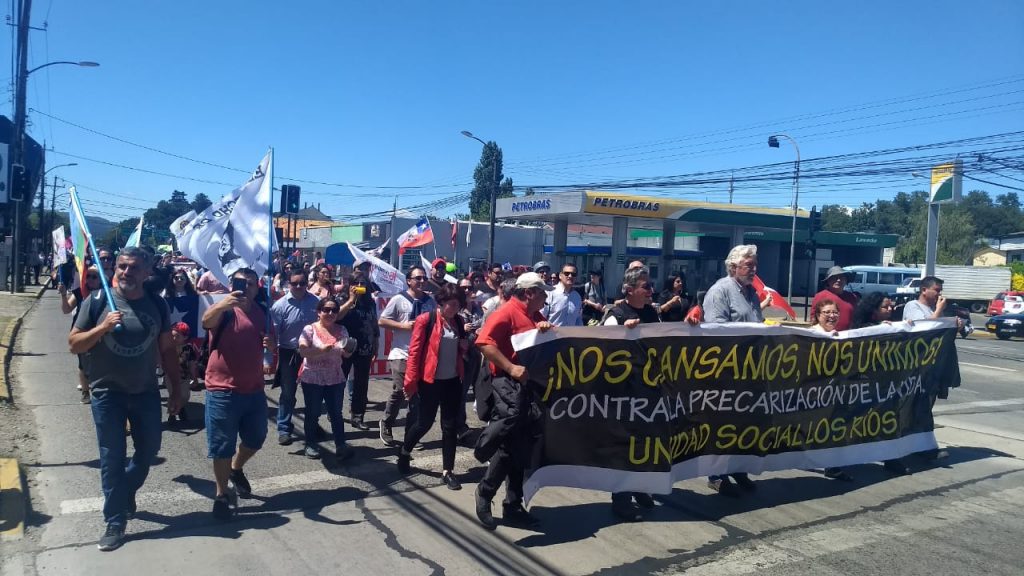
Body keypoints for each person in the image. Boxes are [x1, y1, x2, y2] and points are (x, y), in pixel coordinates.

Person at [69, 247, 181, 551]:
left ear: (147, 273)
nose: (126, 272)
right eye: (121, 267)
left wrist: (176, 387)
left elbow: (167, 349)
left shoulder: (157, 304)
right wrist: (102, 327)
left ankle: (126, 489)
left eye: (133, 268)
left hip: (145, 392)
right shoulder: (97, 300)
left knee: (148, 452)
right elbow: (74, 344)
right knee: (112, 456)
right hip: (108, 393)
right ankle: (115, 521)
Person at [473, 272, 553, 530]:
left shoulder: (534, 315)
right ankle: (484, 455)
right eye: (542, 292)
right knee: (511, 427)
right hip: (506, 381)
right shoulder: (506, 312)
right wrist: (510, 368)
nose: (545, 296)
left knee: (520, 446)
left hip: (527, 383)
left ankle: (512, 504)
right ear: (529, 293)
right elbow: (484, 343)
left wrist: (545, 328)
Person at [202, 268, 276, 519]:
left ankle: (236, 468)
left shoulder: (262, 313)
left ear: (257, 288)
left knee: (256, 439)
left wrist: (271, 346)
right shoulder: (225, 310)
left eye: (251, 284)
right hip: (222, 390)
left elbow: (270, 346)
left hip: (253, 389)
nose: (246, 288)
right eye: (240, 283)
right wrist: (223, 304)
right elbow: (206, 322)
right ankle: (222, 494)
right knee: (222, 447)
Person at [701, 244, 763, 497]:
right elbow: (717, 332)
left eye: (755, 264)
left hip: (750, 372)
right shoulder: (720, 291)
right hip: (727, 372)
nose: (754, 269)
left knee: (744, 424)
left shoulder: (752, 294)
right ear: (734, 266)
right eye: (749, 265)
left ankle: (739, 468)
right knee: (724, 425)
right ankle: (717, 475)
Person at [603, 266, 661, 521]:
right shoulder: (615, 315)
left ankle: (640, 487)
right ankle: (621, 497)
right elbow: (601, 349)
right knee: (624, 445)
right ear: (629, 290)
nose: (651, 291)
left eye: (650, 286)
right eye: (646, 287)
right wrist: (621, 333)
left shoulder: (651, 313)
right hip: (623, 393)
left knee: (645, 442)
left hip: (647, 389)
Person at [397, 284, 468, 490]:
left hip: (452, 380)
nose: (455, 308)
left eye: (458, 305)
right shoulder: (425, 320)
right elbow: (415, 352)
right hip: (430, 381)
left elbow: (462, 348)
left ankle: (448, 471)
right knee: (424, 423)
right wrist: (410, 382)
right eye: (452, 304)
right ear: (441, 303)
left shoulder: (459, 321)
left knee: (450, 426)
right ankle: (404, 452)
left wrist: (464, 347)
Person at [850, 292, 910, 476]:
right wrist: (878, 330)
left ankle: (892, 458)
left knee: (889, 420)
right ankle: (839, 461)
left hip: (886, 384)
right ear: (873, 311)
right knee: (856, 423)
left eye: (891, 306)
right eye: (885, 306)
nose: (890, 309)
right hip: (865, 384)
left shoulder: (891, 327)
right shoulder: (860, 330)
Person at [899, 275, 957, 460]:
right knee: (918, 407)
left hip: (933, 367)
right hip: (917, 366)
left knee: (925, 406)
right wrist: (940, 310)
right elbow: (925, 328)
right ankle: (926, 447)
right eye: (937, 290)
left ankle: (920, 444)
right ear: (924, 289)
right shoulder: (913, 306)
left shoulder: (934, 309)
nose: (939, 294)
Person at [379, 265, 436, 446]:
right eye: (417, 278)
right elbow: (382, 321)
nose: (421, 281)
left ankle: (409, 436)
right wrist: (405, 326)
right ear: (409, 281)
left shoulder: (430, 301)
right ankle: (387, 422)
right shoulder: (398, 299)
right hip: (401, 353)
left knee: (416, 396)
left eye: (423, 278)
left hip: (422, 355)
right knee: (400, 390)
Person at [298, 297, 356, 460]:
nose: (330, 313)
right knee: (313, 413)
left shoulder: (342, 329)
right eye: (326, 310)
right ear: (319, 312)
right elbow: (303, 352)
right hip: (312, 378)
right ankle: (310, 444)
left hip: (335, 378)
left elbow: (346, 354)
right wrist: (321, 350)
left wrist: (350, 349)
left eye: (334, 310)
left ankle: (340, 445)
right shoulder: (309, 329)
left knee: (336, 413)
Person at [271, 270, 320, 445]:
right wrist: (268, 359)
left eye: (302, 283)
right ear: (288, 284)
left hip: (313, 354)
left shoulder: (317, 302)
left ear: (307, 283)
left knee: (313, 393)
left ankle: (312, 424)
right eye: (294, 283)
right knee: (288, 393)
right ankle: (284, 428)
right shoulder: (279, 306)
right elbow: (273, 334)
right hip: (289, 353)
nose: (298, 286)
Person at [337, 273, 379, 432]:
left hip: (365, 346)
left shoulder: (370, 303)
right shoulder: (342, 299)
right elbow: (337, 317)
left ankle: (358, 416)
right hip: (346, 345)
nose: (360, 285)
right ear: (350, 285)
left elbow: (373, 322)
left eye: (363, 283)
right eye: (357, 283)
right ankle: (335, 411)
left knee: (361, 383)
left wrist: (376, 340)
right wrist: (350, 300)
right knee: (340, 380)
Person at [60, 266, 102, 404]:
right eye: (88, 276)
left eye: (94, 276)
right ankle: (85, 391)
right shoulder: (79, 292)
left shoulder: (106, 293)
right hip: (81, 332)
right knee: (83, 364)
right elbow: (67, 310)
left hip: (100, 332)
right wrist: (63, 295)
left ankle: (99, 389)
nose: (90, 279)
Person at [812, 267, 859, 331]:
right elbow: (813, 317)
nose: (838, 280)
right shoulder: (820, 296)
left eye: (842, 278)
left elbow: (856, 317)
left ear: (846, 281)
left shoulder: (852, 297)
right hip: (826, 336)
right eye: (835, 278)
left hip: (847, 336)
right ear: (828, 280)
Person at [544, 263, 584, 327]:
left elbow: (578, 319)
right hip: (552, 335)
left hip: (570, 336)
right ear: (560, 275)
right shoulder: (550, 293)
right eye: (566, 273)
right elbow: (541, 317)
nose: (570, 276)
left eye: (573, 274)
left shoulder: (577, 297)